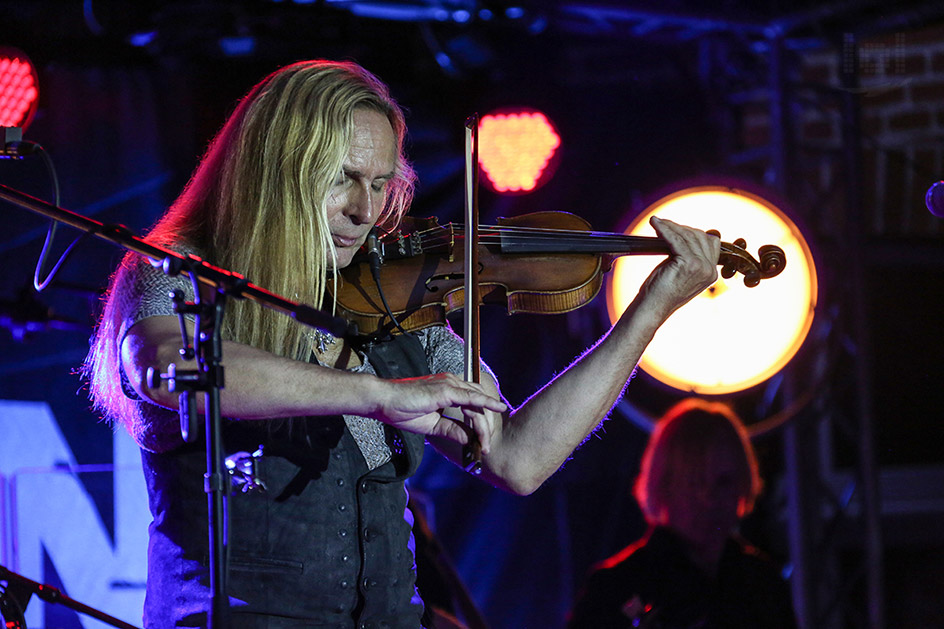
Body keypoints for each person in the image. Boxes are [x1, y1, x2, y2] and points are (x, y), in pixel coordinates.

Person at [83, 60, 721, 628]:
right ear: (277, 171)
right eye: (343, 179)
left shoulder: (393, 306)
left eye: (382, 183)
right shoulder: (182, 273)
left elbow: (518, 459)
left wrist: (646, 315)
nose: (366, 211)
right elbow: (169, 368)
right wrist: (376, 396)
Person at [567, 398, 797, 629]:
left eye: (724, 482)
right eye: (695, 481)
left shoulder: (763, 584)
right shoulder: (615, 587)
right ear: (663, 485)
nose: (709, 498)